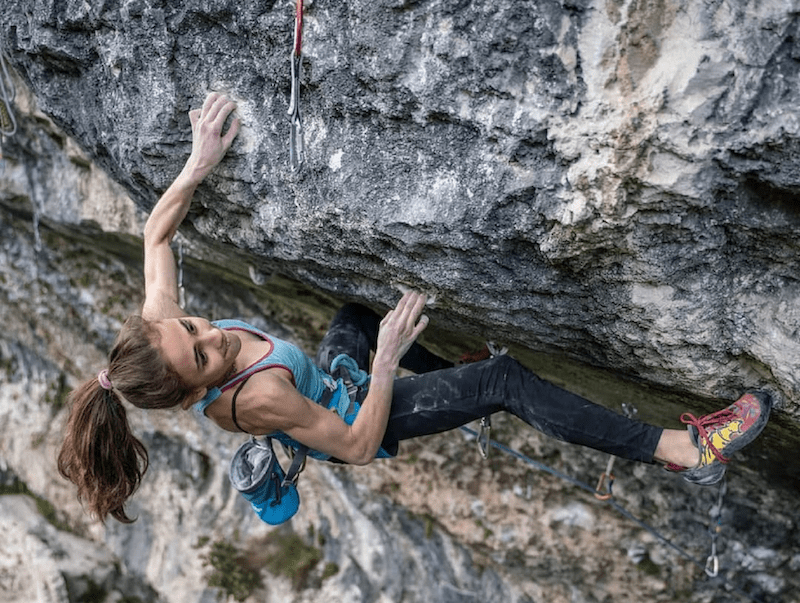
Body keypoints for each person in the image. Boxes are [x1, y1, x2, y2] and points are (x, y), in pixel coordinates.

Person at [57, 92, 772, 524]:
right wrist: (393, 364)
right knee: (502, 383)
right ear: (192, 394)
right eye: (205, 354)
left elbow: (156, 230)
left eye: (189, 325)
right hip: (369, 411)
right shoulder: (260, 399)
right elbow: (360, 448)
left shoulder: (163, 334)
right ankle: (679, 449)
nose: (208, 331)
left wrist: (199, 158)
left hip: (339, 375)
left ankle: (448, 378)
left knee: (356, 313)